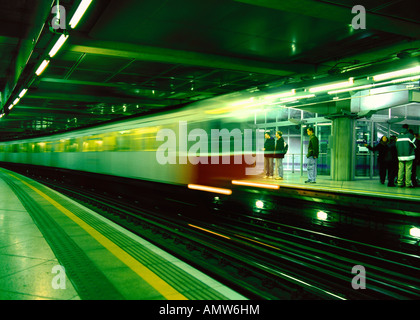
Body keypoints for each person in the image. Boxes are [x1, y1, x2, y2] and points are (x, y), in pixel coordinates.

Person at [396, 124, 416, 188]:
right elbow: (415, 145)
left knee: (400, 169)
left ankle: (399, 183)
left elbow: (397, 146)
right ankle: (408, 183)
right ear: (408, 128)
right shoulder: (409, 136)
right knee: (408, 169)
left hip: (400, 155)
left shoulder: (398, 137)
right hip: (409, 155)